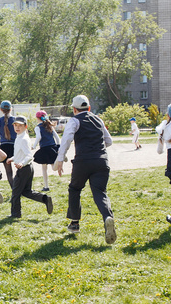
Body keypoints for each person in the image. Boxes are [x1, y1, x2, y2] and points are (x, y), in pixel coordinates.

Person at [55, 95, 116, 244]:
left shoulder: (75, 121)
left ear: (74, 109)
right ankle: (108, 217)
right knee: (100, 192)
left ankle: (75, 223)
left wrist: (60, 159)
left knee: (75, 189)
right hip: (101, 161)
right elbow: (109, 141)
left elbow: (67, 139)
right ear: (89, 108)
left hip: (82, 161)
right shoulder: (98, 119)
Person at [6, 115, 53, 219]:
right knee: (26, 192)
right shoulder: (20, 137)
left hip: (24, 168)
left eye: (20, 126)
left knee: (15, 192)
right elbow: (21, 153)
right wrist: (13, 158)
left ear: (26, 126)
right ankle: (45, 198)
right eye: (15, 125)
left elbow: (29, 155)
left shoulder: (23, 139)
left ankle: (15, 214)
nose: (17, 127)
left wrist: (22, 163)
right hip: (27, 168)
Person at [32, 110, 61, 192]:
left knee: (44, 169)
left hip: (44, 149)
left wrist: (34, 146)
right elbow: (57, 137)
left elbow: (38, 137)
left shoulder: (38, 127)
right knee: (53, 168)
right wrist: (58, 146)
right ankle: (45, 186)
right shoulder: (50, 126)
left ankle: (46, 186)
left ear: (38, 118)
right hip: (52, 147)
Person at [0, 100, 16, 188]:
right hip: (15, 147)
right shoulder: (16, 120)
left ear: (1, 109)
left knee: (8, 172)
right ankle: (20, 189)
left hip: (4, 147)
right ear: (11, 109)